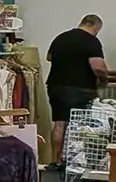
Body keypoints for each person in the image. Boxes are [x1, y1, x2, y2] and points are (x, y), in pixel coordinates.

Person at [47, 14, 110, 150]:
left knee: (59, 123)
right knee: (80, 126)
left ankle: (56, 160)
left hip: (55, 86)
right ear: (96, 26)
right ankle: (74, 162)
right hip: (80, 88)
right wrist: (104, 79)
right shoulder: (91, 41)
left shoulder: (61, 37)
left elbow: (49, 57)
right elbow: (98, 67)